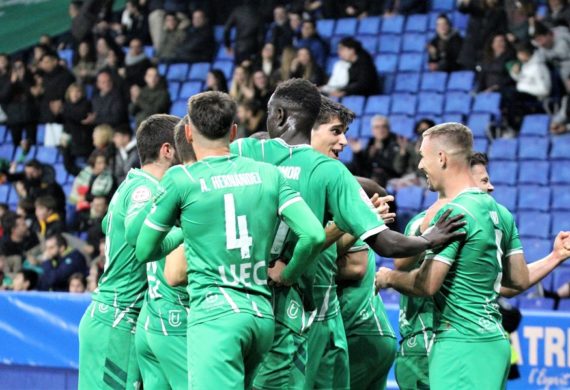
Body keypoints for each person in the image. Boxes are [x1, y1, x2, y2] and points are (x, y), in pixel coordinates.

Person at [230, 79, 464, 389]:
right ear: (312, 124)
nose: (343, 142)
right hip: (299, 314)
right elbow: (381, 242)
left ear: (280, 115)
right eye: (336, 131)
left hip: (252, 305)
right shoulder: (330, 174)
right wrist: (427, 239)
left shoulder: (248, 150)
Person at [135, 91, 326, 389]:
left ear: (187, 132)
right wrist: (288, 274)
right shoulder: (269, 174)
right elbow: (314, 235)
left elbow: (145, 249)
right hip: (261, 316)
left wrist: (188, 230)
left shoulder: (182, 180)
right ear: (233, 131)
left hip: (215, 316)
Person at [392, 150, 570, 388]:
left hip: (466, 342)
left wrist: (555, 256)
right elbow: (403, 266)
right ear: (464, 179)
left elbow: (512, 283)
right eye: (484, 180)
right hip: (427, 345)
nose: (491, 187)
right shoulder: (432, 222)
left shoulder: (488, 220)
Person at [376, 123, 530, 389]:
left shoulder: (453, 215)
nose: (421, 165)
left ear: (442, 158)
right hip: (495, 340)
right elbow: (517, 280)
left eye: (423, 156)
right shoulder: (501, 212)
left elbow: (427, 285)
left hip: (460, 343)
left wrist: (389, 278)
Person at [78, 114, 182, 390]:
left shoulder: (131, 183)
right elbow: (137, 237)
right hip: (116, 319)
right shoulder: (145, 191)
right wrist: (184, 231)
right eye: (182, 144)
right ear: (167, 150)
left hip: (116, 318)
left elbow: (106, 224)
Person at [310, 97, 397, 389]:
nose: (345, 141)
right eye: (336, 131)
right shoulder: (310, 183)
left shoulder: (341, 192)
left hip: (356, 332)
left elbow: (357, 267)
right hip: (334, 330)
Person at [133, 116, 194, 390]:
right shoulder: (181, 189)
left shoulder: (141, 189)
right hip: (174, 317)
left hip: (151, 315)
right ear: (168, 149)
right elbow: (176, 274)